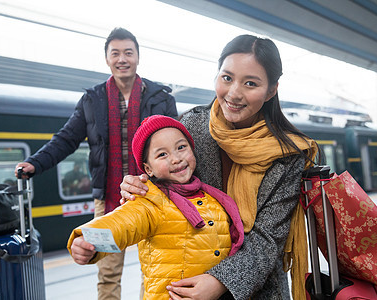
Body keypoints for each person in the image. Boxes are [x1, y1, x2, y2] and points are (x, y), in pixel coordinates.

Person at [120, 34, 319, 300]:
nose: (234, 93)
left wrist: (219, 281)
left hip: (257, 290)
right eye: (227, 78)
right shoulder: (192, 127)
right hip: (186, 280)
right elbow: (166, 191)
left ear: (272, 90)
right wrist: (138, 186)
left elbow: (268, 239)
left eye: (250, 83)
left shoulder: (288, 155)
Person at [14, 27, 177, 300]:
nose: (122, 59)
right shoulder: (93, 100)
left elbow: (176, 142)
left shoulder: (161, 97)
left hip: (154, 194)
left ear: (138, 57)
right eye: (116, 53)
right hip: (110, 197)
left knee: (156, 269)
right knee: (108, 272)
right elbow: (66, 139)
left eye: (128, 52)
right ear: (107, 59)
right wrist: (35, 163)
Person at [67, 115, 244, 299]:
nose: (175, 158)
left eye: (181, 147)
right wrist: (88, 240)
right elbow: (122, 222)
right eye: (162, 154)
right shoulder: (150, 201)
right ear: (148, 169)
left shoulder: (213, 198)